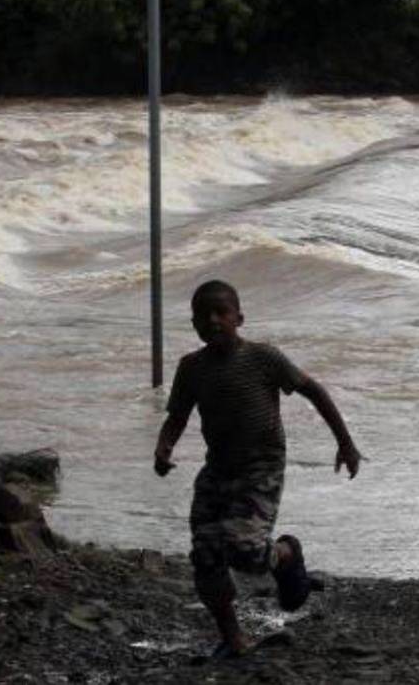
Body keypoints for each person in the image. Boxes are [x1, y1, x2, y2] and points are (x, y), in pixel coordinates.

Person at [154, 280, 363, 658]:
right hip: (217, 468)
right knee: (204, 553)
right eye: (204, 314)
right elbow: (178, 416)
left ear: (239, 318)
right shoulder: (191, 368)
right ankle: (233, 639)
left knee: (245, 549)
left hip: (261, 466)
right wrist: (164, 447)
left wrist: (345, 443)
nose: (213, 320)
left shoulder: (264, 358)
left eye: (221, 312)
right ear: (194, 324)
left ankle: (285, 553)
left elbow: (313, 391)